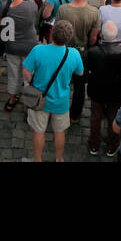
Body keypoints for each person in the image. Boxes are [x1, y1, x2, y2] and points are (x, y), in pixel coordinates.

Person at [22, 19, 85, 163]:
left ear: (52, 34)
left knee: (39, 131)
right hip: (60, 100)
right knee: (59, 131)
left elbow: (26, 72)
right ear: (68, 38)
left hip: (39, 99)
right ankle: (58, 159)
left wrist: (32, 82)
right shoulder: (74, 54)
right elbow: (80, 73)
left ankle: (38, 160)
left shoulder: (38, 50)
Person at [87, 20, 121, 157]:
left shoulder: (93, 52)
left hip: (97, 89)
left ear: (102, 35)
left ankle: (94, 144)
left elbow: (89, 67)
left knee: (96, 118)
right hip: (116, 90)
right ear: (116, 35)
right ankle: (112, 146)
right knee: (114, 118)